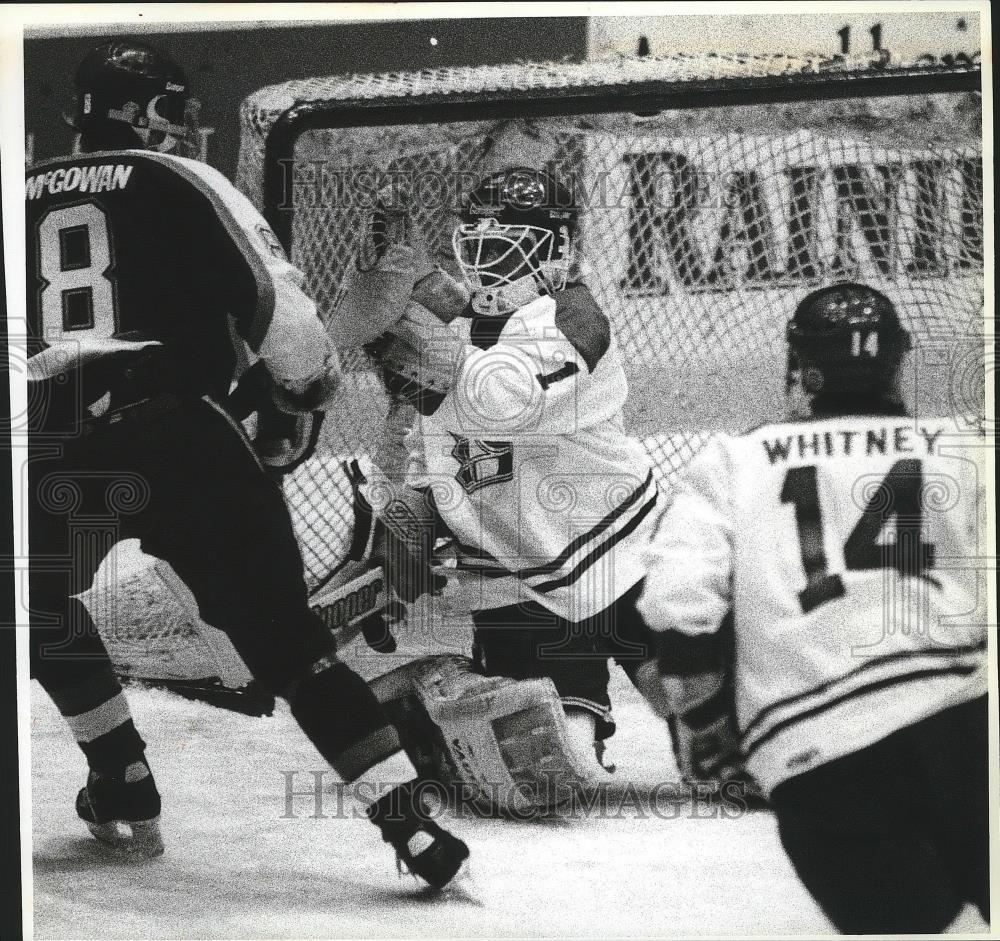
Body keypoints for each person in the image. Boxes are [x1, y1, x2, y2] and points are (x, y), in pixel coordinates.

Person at [26, 38, 469, 887]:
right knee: (292, 643)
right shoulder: (181, 180)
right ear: (144, 113)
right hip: (179, 434)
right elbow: (287, 324)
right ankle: (411, 828)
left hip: (47, 441)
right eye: (176, 110)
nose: (187, 128)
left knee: (32, 609)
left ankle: (120, 773)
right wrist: (296, 400)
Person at [636, 282, 989, 933]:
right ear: (896, 360)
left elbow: (678, 600)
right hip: (967, 728)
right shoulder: (966, 448)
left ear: (800, 363)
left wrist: (706, 720)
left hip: (820, 751)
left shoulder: (735, 459)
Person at [357, 167, 661, 794]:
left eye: (506, 247)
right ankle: (569, 710)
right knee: (542, 768)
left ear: (556, 251)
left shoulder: (574, 319)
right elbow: (431, 436)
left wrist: (407, 323)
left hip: (620, 552)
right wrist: (417, 503)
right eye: (479, 245)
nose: (487, 263)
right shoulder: (457, 332)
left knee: (724, 742)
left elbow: (499, 400)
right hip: (517, 580)